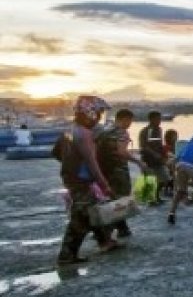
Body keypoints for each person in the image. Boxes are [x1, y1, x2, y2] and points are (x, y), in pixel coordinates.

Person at [57, 95, 120, 265]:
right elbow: (92, 163)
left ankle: (104, 242)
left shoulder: (71, 130)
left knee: (91, 211)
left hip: (71, 177)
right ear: (89, 112)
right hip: (81, 180)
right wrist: (104, 184)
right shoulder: (84, 134)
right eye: (98, 112)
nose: (99, 117)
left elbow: (57, 153)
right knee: (81, 217)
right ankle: (67, 255)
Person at [95, 109, 146, 238]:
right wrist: (138, 161)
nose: (130, 124)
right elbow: (122, 152)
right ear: (124, 119)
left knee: (112, 198)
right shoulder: (121, 132)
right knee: (121, 199)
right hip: (118, 170)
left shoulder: (105, 130)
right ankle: (107, 231)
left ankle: (122, 228)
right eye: (130, 121)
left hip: (104, 169)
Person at [138, 111, 169, 204]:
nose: (159, 121)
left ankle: (156, 196)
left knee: (164, 178)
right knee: (151, 180)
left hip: (158, 160)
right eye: (157, 119)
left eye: (160, 119)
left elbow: (160, 143)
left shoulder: (159, 130)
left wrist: (164, 153)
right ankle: (151, 199)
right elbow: (143, 146)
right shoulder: (145, 131)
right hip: (148, 159)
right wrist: (154, 154)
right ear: (151, 119)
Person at [162, 129, 179, 196]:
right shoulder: (165, 147)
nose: (176, 137)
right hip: (168, 164)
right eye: (174, 136)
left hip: (174, 164)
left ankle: (174, 187)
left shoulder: (176, 146)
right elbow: (167, 155)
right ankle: (171, 188)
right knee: (172, 166)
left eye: (176, 136)